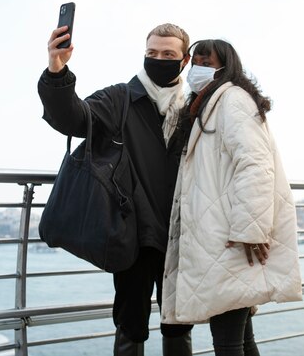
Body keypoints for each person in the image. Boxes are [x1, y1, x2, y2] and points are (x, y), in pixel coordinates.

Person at [38, 23, 195, 356]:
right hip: (133, 235)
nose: (158, 59)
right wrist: (57, 70)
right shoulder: (120, 98)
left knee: (180, 324)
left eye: (168, 54)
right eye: (151, 53)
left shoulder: (195, 108)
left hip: (182, 236)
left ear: (184, 60)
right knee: (130, 325)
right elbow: (73, 118)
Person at [161, 39, 303, 356]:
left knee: (227, 342)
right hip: (222, 234)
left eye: (207, 63)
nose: (198, 69)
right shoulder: (205, 105)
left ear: (226, 68)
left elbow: (255, 165)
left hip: (230, 236)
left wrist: (250, 230)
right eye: (194, 61)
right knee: (239, 338)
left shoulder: (231, 101)